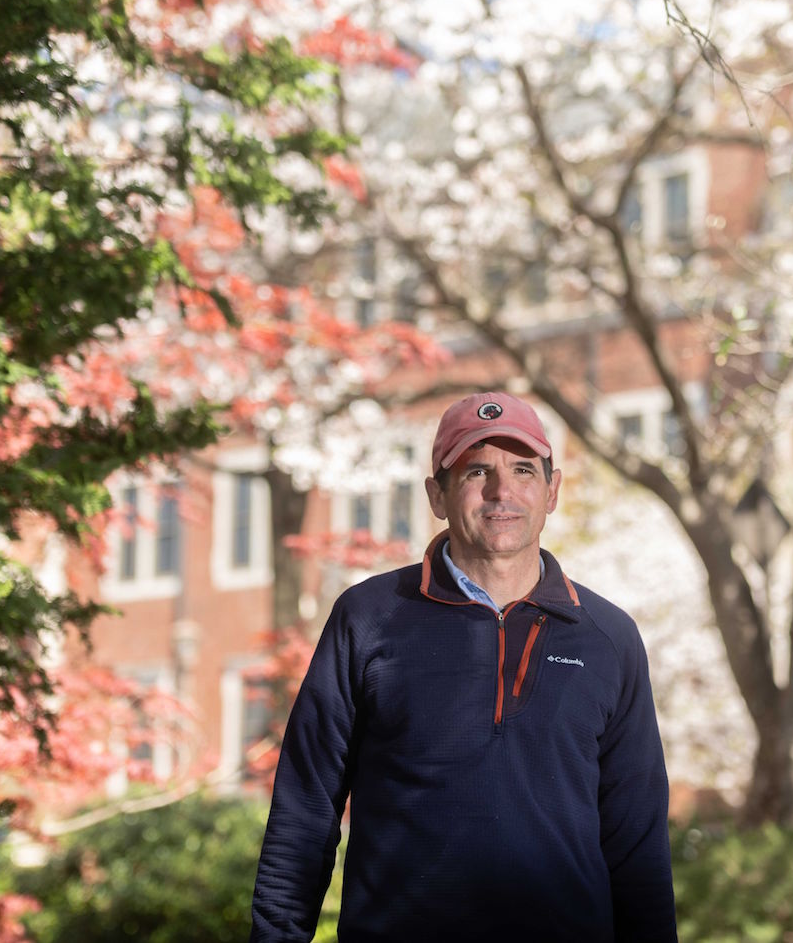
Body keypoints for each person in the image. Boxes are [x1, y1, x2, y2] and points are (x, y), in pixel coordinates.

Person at [249, 391, 677, 943]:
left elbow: (637, 840)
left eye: (523, 469)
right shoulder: (369, 618)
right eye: (478, 470)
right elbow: (305, 809)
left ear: (553, 490)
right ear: (437, 494)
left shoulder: (608, 638)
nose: (502, 491)